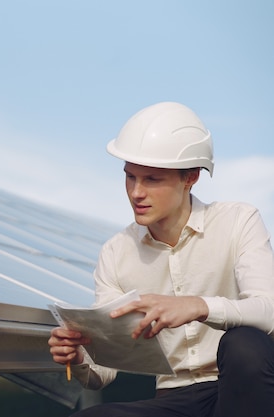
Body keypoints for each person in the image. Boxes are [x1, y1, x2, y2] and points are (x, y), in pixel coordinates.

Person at [48, 101, 274, 416]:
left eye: (152, 179)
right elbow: (106, 367)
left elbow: (269, 311)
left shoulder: (238, 221)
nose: (136, 193)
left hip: (242, 389)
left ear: (191, 177)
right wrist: (79, 357)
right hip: (173, 399)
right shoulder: (116, 253)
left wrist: (199, 306)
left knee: (244, 344)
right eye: (130, 177)